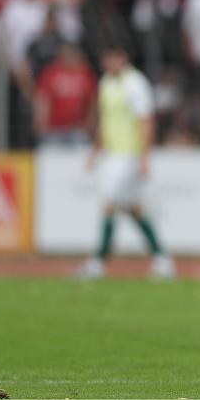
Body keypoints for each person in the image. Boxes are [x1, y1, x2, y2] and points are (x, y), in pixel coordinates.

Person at [78, 46, 176, 279]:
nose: (107, 63)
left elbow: (146, 121)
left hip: (129, 156)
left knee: (108, 203)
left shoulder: (135, 83)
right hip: (113, 155)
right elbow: (106, 121)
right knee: (134, 209)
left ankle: (98, 262)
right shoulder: (106, 83)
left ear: (122, 58)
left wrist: (144, 157)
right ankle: (162, 259)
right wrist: (95, 150)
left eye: (111, 58)